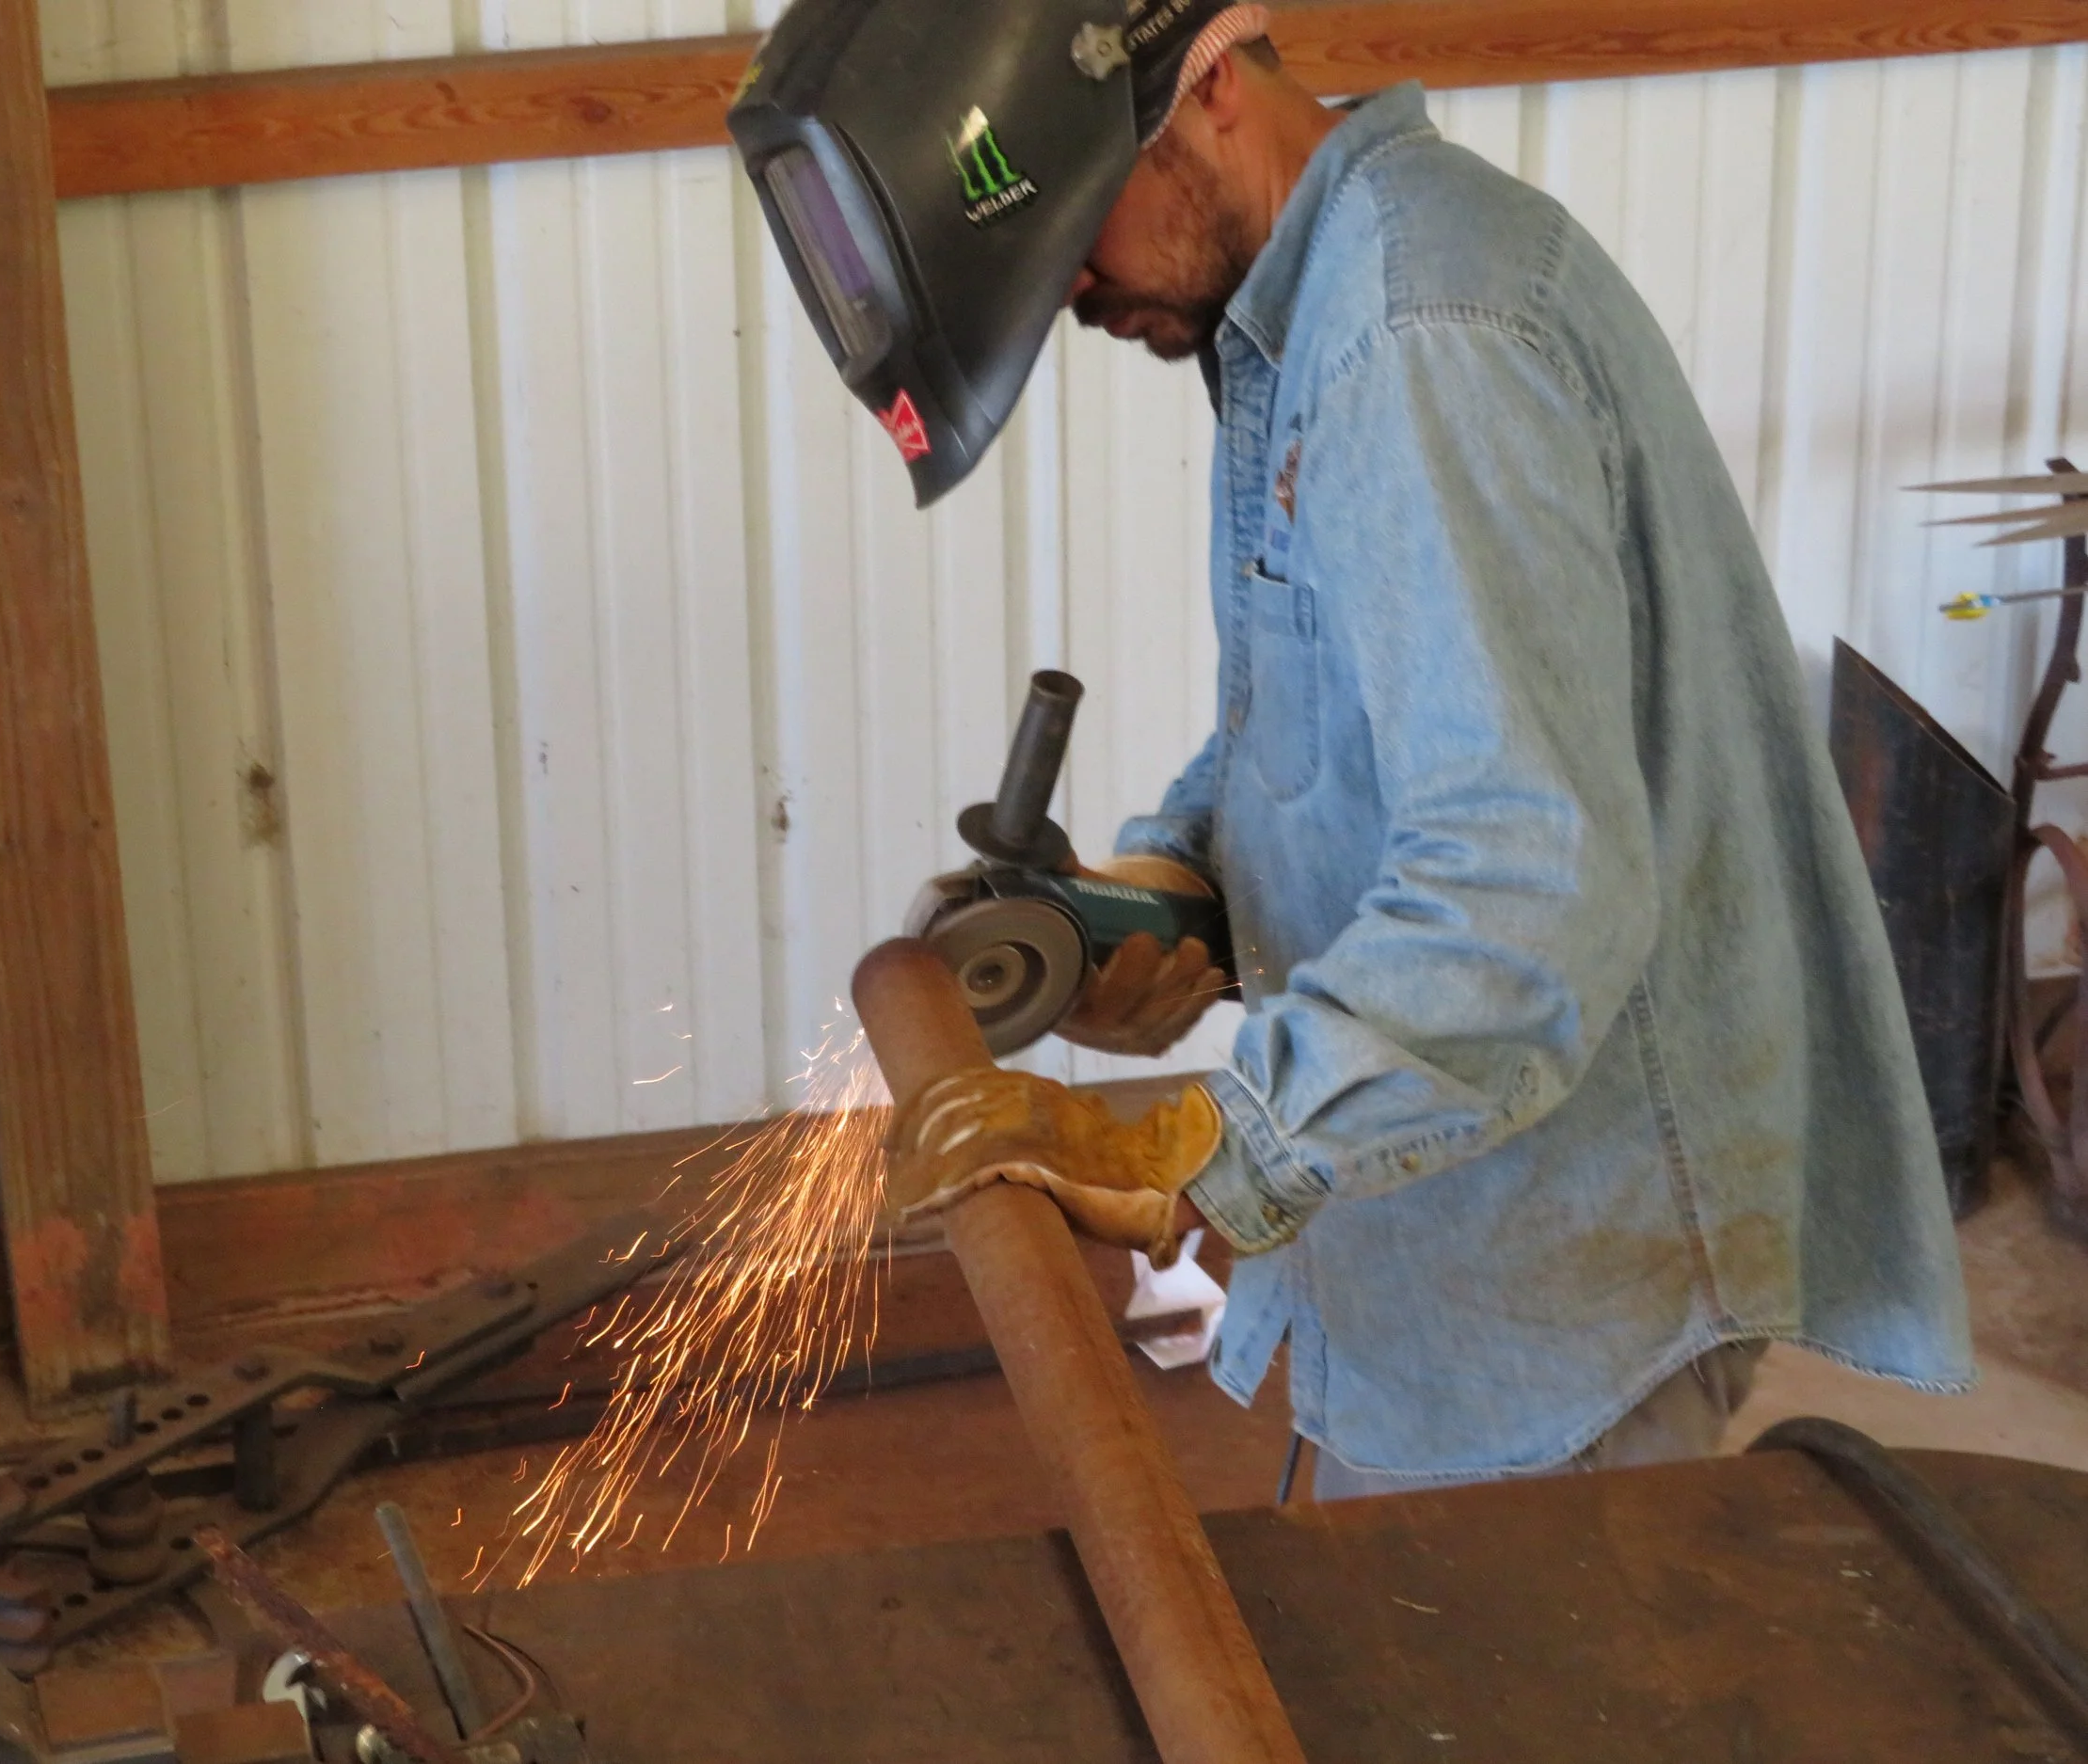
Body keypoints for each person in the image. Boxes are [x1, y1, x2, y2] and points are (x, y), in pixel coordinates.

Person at [738, 0, 1974, 1499]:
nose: (1072, 290)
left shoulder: (1416, 335)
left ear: (1201, 88)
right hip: (1447, 1235)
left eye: (1077, 229)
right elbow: (1345, 711)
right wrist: (1164, 884)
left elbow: (1526, 894)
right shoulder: (1310, 313)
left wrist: (1211, 1142)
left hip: (1571, 1277)